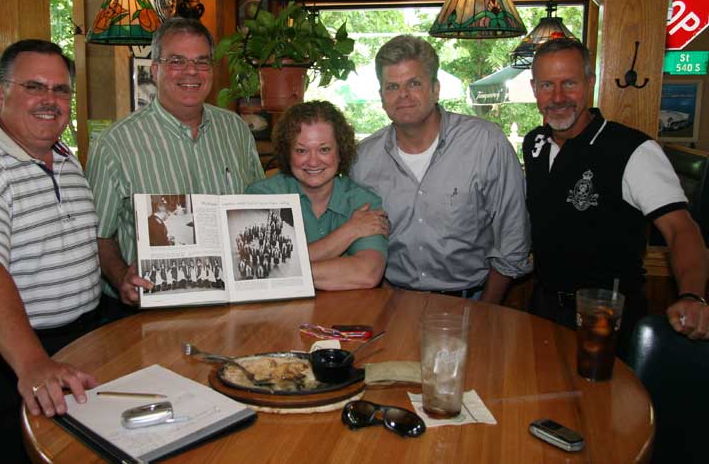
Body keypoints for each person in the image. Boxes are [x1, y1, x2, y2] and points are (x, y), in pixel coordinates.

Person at [0, 39, 102, 462]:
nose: (50, 100)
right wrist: (32, 363)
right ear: (0, 92)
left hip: (74, 343)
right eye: (34, 87)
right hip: (3, 356)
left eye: (61, 90)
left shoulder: (64, 158)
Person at [523, 38, 709, 348]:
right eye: (546, 85)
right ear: (534, 89)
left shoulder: (632, 149)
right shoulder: (535, 144)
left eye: (569, 83)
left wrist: (691, 294)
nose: (557, 97)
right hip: (542, 309)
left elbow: (681, 229)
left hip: (605, 317)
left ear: (590, 82)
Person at [86, 18, 264, 320]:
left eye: (201, 62)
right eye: (177, 61)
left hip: (234, 305)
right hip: (150, 309)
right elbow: (97, 236)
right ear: (155, 70)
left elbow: (258, 206)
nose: (191, 71)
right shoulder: (114, 143)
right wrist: (120, 278)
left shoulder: (235, 129)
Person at [351, 35, 531, 301]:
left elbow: (513, 238)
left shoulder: (485, 143)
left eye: (414, 83)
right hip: (391, 302)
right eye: (392, 87)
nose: (403, 95)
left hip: (471, 301)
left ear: (435, 89)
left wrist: (486, 310)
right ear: (381, 97)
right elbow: (357, 241)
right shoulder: (362, 159)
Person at [247, 100, 388, 290]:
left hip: (348, 314)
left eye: (324, 149)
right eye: (301, 150)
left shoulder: (363, 202)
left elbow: (367, 274)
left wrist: (279, 268)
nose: (313, 161)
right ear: (287, 153)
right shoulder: (262, 196)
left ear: (340, 153)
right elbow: (256, 267)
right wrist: (350, 231)